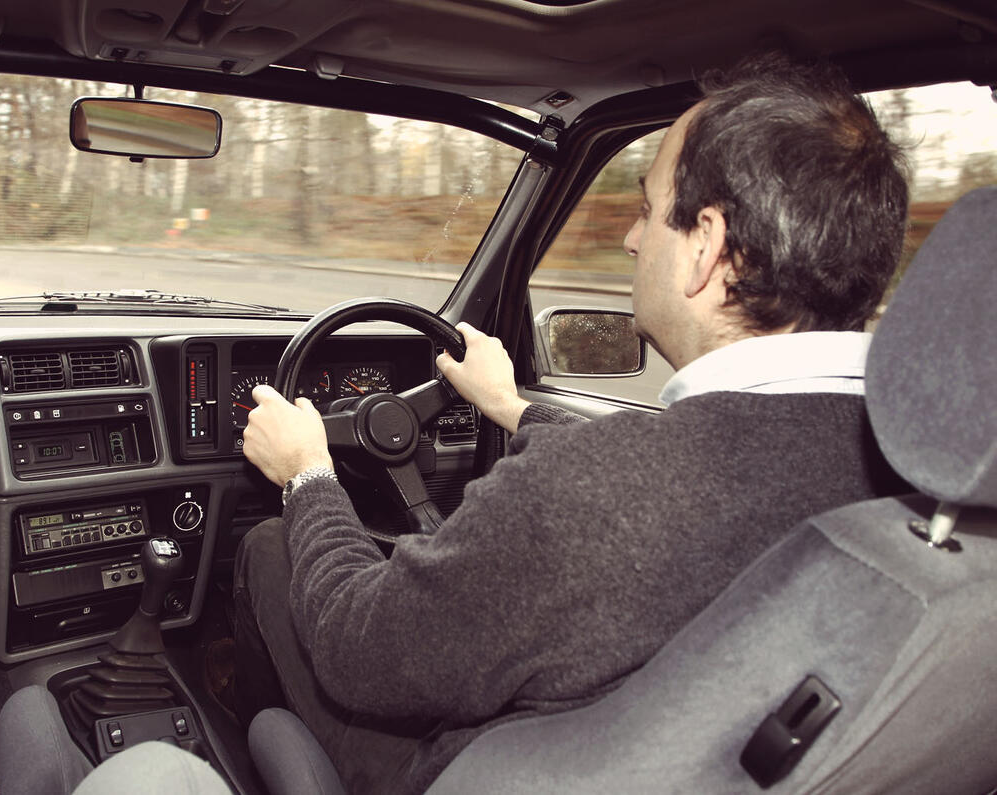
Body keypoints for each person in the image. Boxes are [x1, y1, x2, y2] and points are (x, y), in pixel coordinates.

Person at [234, 53, 911, 794]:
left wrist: (308, 473)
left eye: (649, 210)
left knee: (273, 547)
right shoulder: (909, 466)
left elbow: (354, 648)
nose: (630, 237)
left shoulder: (595, 494)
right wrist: (511, 406)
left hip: (465, 771)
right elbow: (659, 474)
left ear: (707, 247)